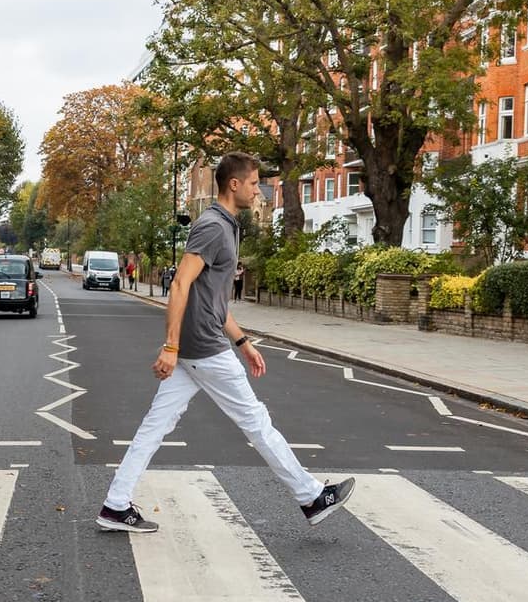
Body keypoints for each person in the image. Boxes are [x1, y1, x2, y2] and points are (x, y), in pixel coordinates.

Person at [97, 151, 354, 533]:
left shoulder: (228, 225)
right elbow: (180, 284)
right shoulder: (213, 226)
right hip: (203, 347)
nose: (257, 190)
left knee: (155, 426)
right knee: (256, 421)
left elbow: (213, 299)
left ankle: (115, 505)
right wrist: (171, 346)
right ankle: (311, 497)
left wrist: (243, 342)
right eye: (252, 183)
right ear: (234, 184)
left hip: (199, 346)